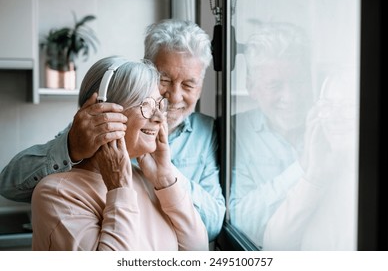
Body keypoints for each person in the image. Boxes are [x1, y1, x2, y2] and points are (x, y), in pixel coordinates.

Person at [0, 19, 225, 242]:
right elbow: (9, 186)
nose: (174, 97)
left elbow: (213, 225)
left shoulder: (207, 131)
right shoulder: (101, 126)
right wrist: (71, 146)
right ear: (145, 71)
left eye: (188, 85)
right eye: (164, 80)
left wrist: (167, 175)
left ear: (201, 86)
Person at [31, 56, 209, 251]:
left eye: (159, 105)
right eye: (147, 105)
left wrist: (166, 179)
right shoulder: (57, 194)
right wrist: (120, 188)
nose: (159, 118)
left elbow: (198, 251)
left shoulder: (151, 182)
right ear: (103, 112)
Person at [229, 22, 314, 249]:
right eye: (275, 85)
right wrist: (303, 168)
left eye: (299, 82)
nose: (291, 97)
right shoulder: (234, 131)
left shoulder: (330, 126)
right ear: (251, 87)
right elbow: (242, 222)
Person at [262, 68, 358, 250]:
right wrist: (313, 177)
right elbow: (274, 245)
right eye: (327, 106)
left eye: (348, 106)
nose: (334, 118)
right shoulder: (322, 176)